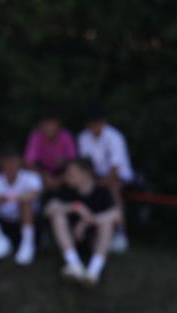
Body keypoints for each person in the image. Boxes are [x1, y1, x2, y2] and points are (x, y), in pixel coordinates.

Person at [43, 158, 121, 285]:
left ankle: (93, 271)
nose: (67, 177)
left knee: (107, 223)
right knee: (57, 216)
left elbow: (116, 215)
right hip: (72, 237)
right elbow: (48, 209)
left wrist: (87, 222)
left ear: (86, 174)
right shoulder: (66, 190)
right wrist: (75, 207)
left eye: (71, 173)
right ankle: (74, 264)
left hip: (94, 240)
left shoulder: (101, 192)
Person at [76, 105, 133, 252]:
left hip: (118, 176)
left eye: (98, 122)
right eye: (92, 123)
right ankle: (85, 231)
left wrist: (99, 182)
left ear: (104, 122)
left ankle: (120, 232)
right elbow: (84, 165)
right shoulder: (83, 138)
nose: (95, 126)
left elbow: (115, 168)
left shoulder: (115, 137)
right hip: (94, 176)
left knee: (112, 188)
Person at [0, 147, 43, 265]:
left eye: (13, 161)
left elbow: (35, 193)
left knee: (26, 203)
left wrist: (15, 198)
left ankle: (27, 244)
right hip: (4, 224)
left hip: (27, 223)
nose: (10, 165)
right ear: (1, 164)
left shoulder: (31, 177)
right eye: (7, 162)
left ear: (19, 162)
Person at [23, 111, 76, 189]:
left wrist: (59, 179)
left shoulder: (66, 136)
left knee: (75, 172)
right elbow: (28, 163)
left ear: (58, 124)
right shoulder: (36, 136)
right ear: (40, 125)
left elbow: (74, 161)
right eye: (45, 124)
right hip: (43, 173)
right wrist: (44, 175)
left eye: (51, 124)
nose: (48, 128)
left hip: (63, 173)